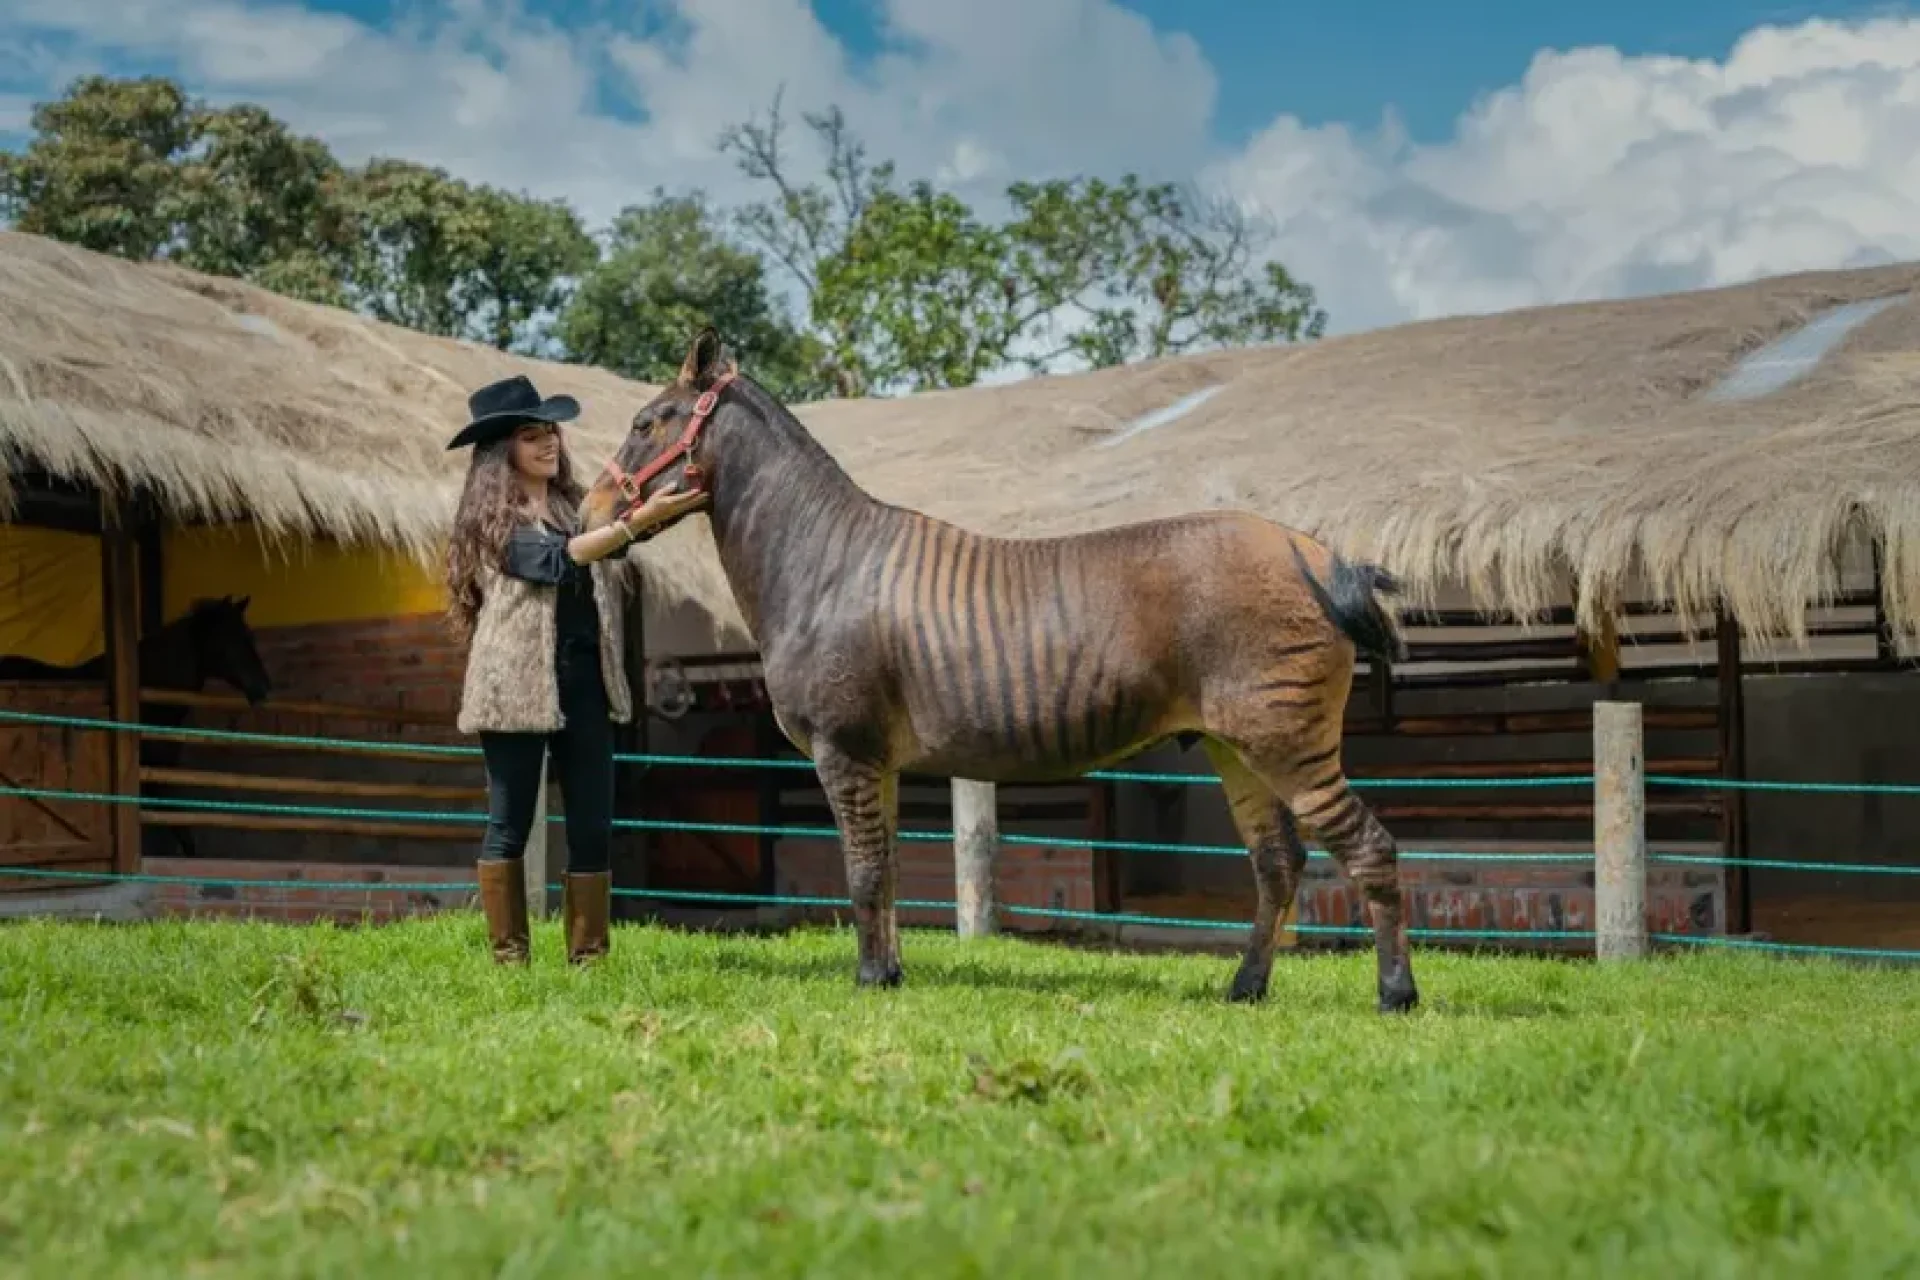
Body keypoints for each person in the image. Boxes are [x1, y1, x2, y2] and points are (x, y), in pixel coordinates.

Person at [442, 374, 706, 966]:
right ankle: (509, 958)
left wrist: (667, 506)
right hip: (512, 687)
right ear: (500, 450)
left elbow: (612, 537)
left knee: (593, 822)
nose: (548, 443)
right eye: (531, 435)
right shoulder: (490, 519)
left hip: (586, 681)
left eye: (551, 432)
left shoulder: (578, 506)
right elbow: (553, 561)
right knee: (510, 823)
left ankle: (589, 958)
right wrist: (629, 528)